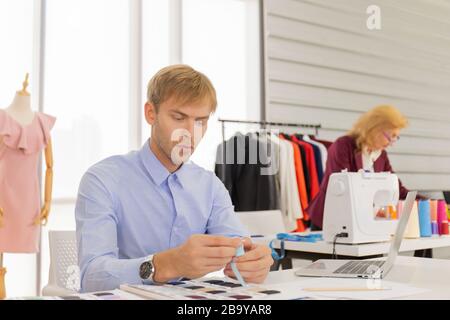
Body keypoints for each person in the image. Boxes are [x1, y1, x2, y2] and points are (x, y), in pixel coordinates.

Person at [75, 65, 273, 292]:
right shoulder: (102, 180)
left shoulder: (210, 186)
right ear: (151, 113)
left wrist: (254, 262)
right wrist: (167, 264)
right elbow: (91, 278)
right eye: (179, 117)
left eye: (200, 121)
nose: (190, 131)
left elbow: (240, 247)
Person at [306, 105, 424, 230]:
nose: (392, 143)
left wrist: (430, 203)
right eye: (391, 136)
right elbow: (344, 190)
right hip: (331, 221)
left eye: (396, 137)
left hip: (363, 223)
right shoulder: (343, 146)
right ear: (375, 129)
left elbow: (397, 189)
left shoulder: (381, 155)